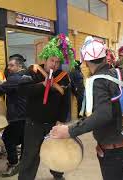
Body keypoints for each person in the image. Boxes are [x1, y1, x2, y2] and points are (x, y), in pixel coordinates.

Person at [50, 36, 123, 180]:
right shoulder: (118, 73)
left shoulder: (98, 81)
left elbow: (103, 114)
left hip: (114, 150)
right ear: (104, 57)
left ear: (86, 61)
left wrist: (70, 130)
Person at [17, 33, 74, 180]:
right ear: (46, 59)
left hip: (53, 123)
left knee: (56, 151)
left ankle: (58, 175)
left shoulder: (63, 77)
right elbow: (24, 91)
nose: (53, 65)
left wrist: (61, 120)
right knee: (30, 155)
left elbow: (66, 101)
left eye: (57, 62)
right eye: (51, 60)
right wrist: (43, 85)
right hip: (33, 122)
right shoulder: (33, 71)